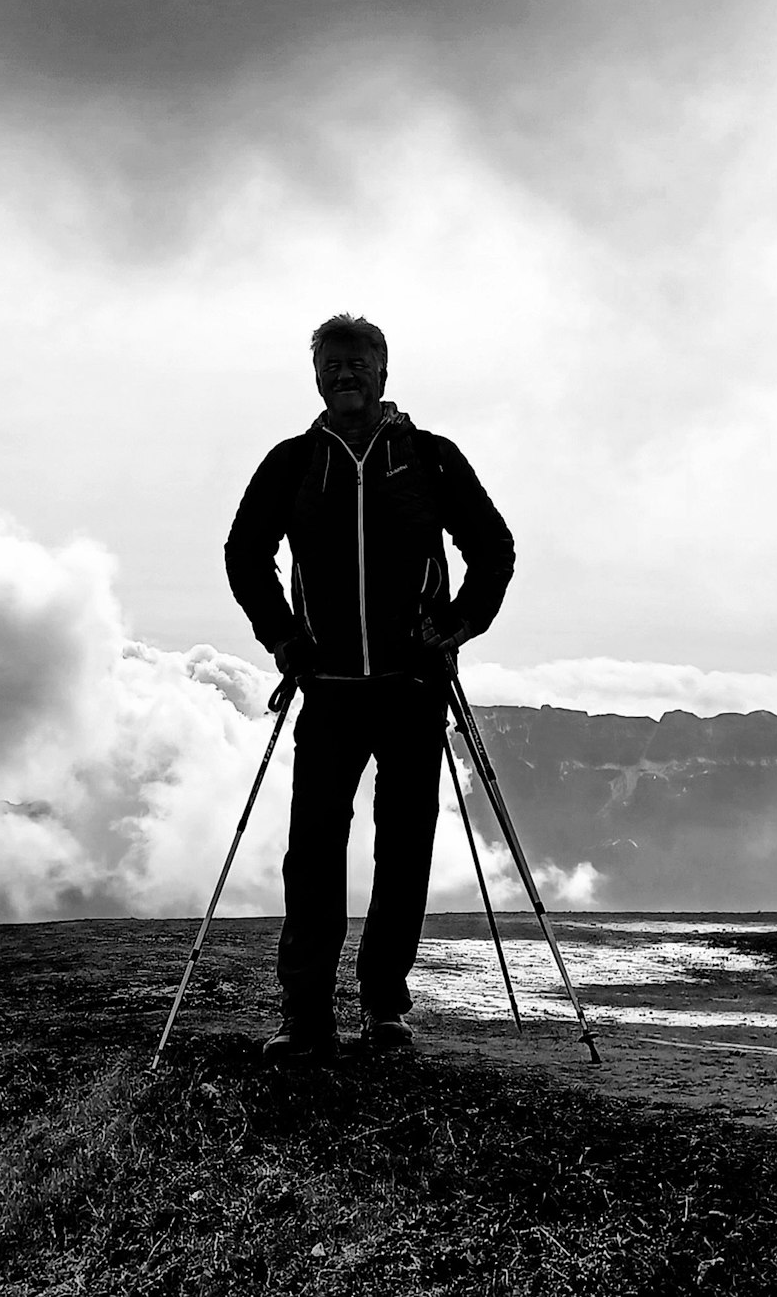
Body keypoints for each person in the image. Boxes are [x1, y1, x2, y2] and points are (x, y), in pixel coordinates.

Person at [225, 314, 515, 1059]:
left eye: (359, 362)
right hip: (326, 686)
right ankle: (307, 1015)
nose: (345, 373)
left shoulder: (429, 457)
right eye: (333, 362)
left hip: (412, 687)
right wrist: (282, 637)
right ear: (316, 374)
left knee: (404, 848)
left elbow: (492, 547)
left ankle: (384, 1006)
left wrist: (457, 626)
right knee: (312, 852)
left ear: (385, 372)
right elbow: (244, 553)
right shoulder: (292, 462)